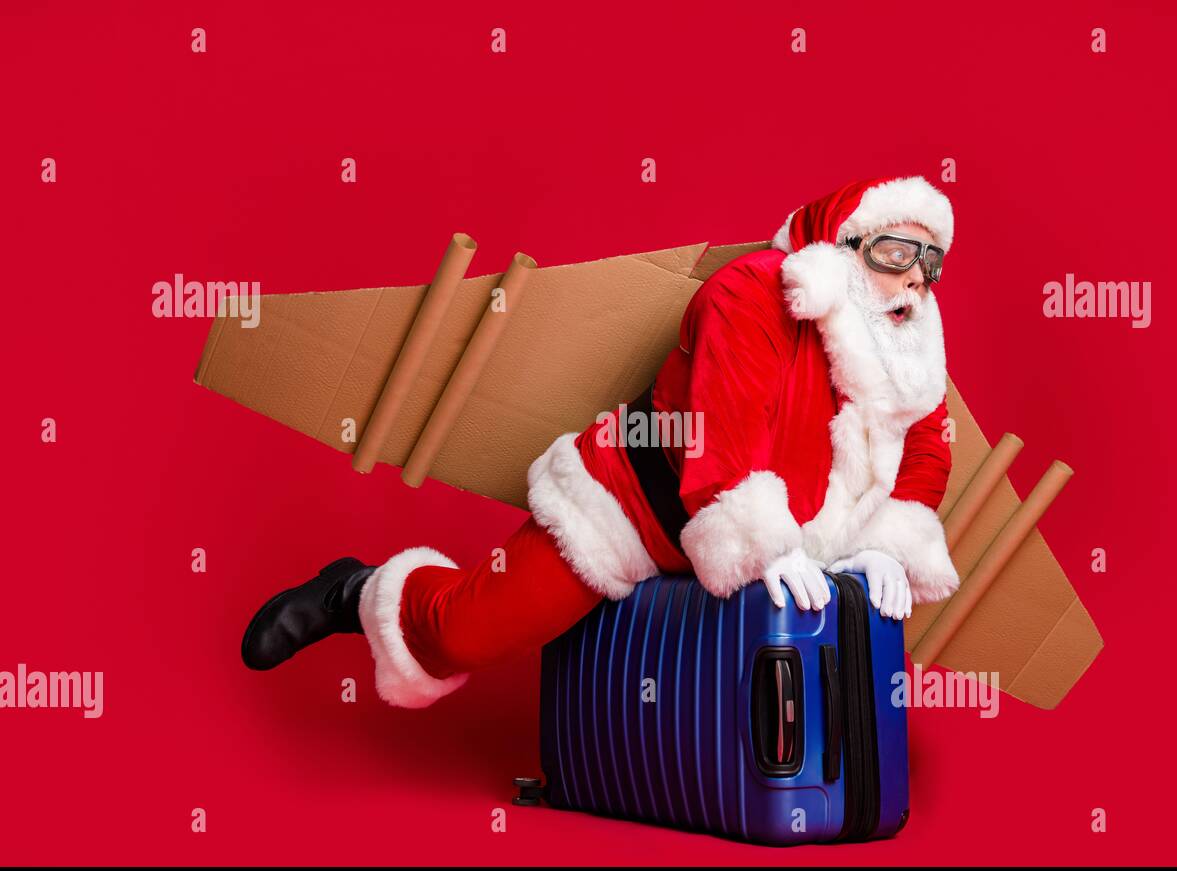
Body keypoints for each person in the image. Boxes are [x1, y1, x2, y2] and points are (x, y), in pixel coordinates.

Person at [241, 175, 961, 709]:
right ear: (837, 247)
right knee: (466, 632)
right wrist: (766, 543)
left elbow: (926, 450)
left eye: (929, 265)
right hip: (636, 508)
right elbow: (721, 423)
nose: (914, 283)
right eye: (896, 253)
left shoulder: (907, 354)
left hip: (780, 559)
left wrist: (884, 544)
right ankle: (353, 590)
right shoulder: (754, 291)